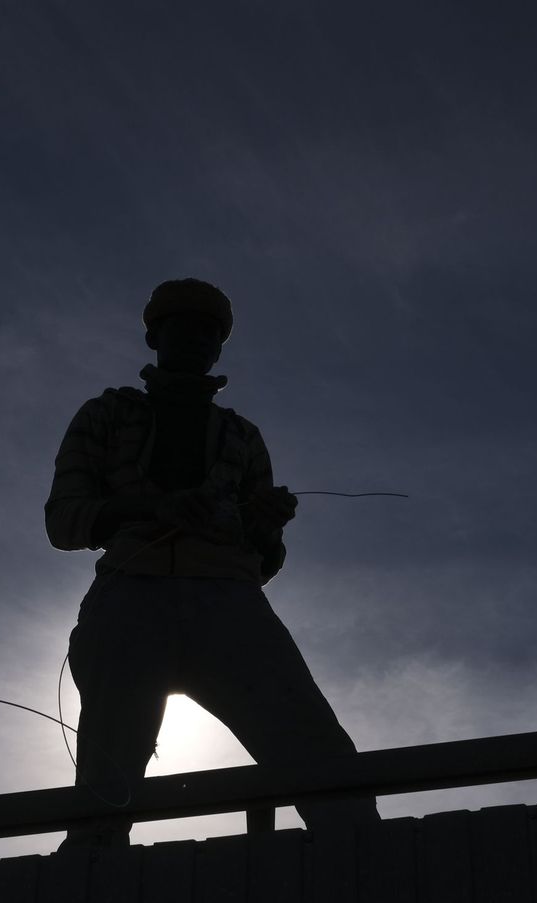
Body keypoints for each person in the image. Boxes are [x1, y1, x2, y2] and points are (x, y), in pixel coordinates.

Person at [45, 277, 380, 848]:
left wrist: (263, 525)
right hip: (130, 602)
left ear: (220, 346)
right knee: (106, 783)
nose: (197, 340)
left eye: (210, 331)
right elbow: (65, 520)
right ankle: (89, 871)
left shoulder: (242, 436)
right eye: (183, 326)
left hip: (230, 605)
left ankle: (375, 865)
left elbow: (265, 559)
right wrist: (152, 507)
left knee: (317, 753)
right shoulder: (105, 415)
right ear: (155, 335)